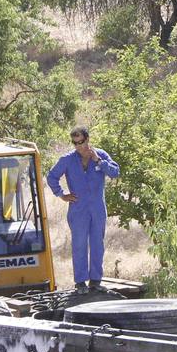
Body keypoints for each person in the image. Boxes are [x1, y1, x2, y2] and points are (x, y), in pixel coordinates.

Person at [46, 126, 120, 293]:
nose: (79, 146)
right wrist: (62, 194)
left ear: (88, 139)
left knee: (97, 244)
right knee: (79, 245)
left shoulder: (100, 155)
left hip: (97, 209)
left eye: (81, 142)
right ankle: (80, 282)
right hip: (78, 209)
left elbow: (115, 172)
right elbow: (51, 177)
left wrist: (98, 161)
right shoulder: (67, 159)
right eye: (75, 143)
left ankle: (95, 280)